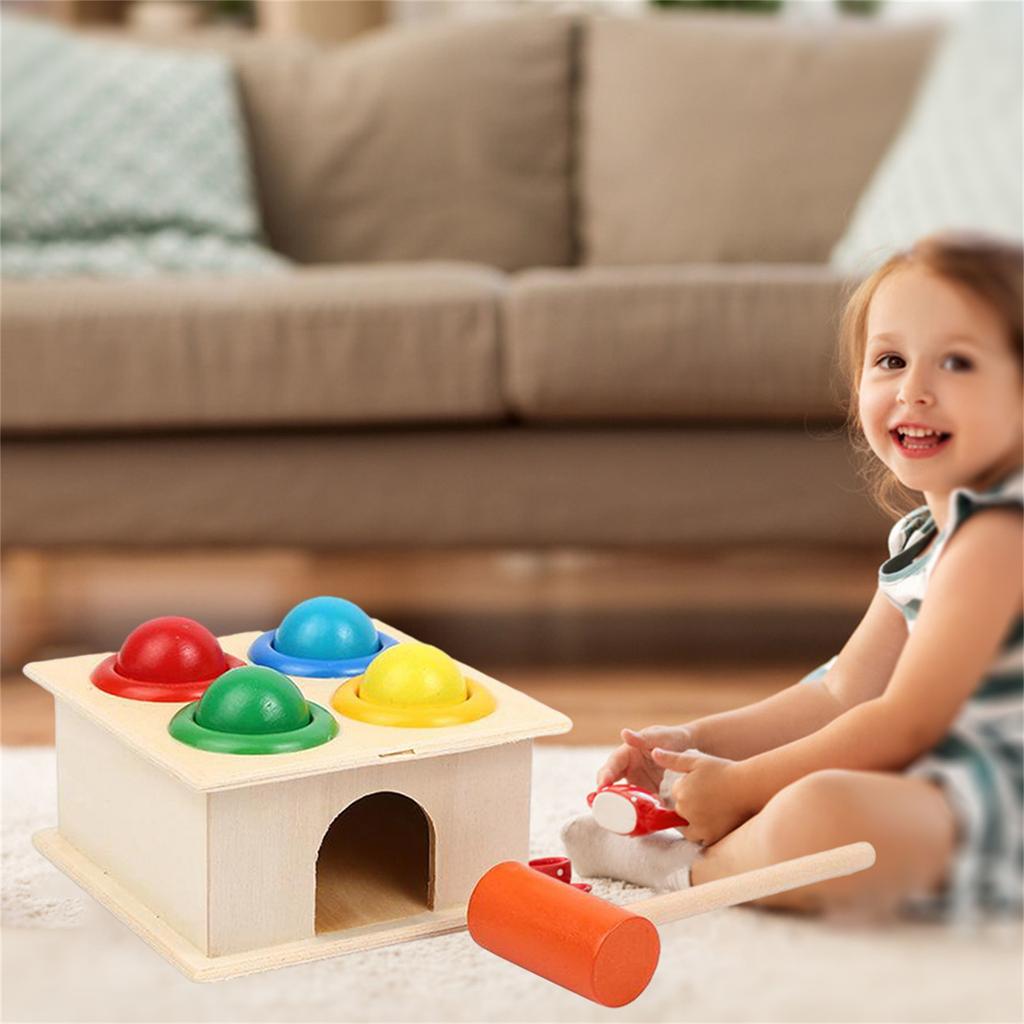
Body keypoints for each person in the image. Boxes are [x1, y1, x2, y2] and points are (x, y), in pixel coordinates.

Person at [562, 233, 1023, 920]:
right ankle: (730, 841)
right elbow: (842, 693)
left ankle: (685, 868)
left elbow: (903, 723)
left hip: (1002, 807)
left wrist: (746, 785)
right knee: (818, 787)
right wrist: (695, 743)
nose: (914, 391)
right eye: (891, 361)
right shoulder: (923, 537)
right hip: (940, 786)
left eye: (957, 362)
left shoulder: (1000, 537)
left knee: (822, 813)